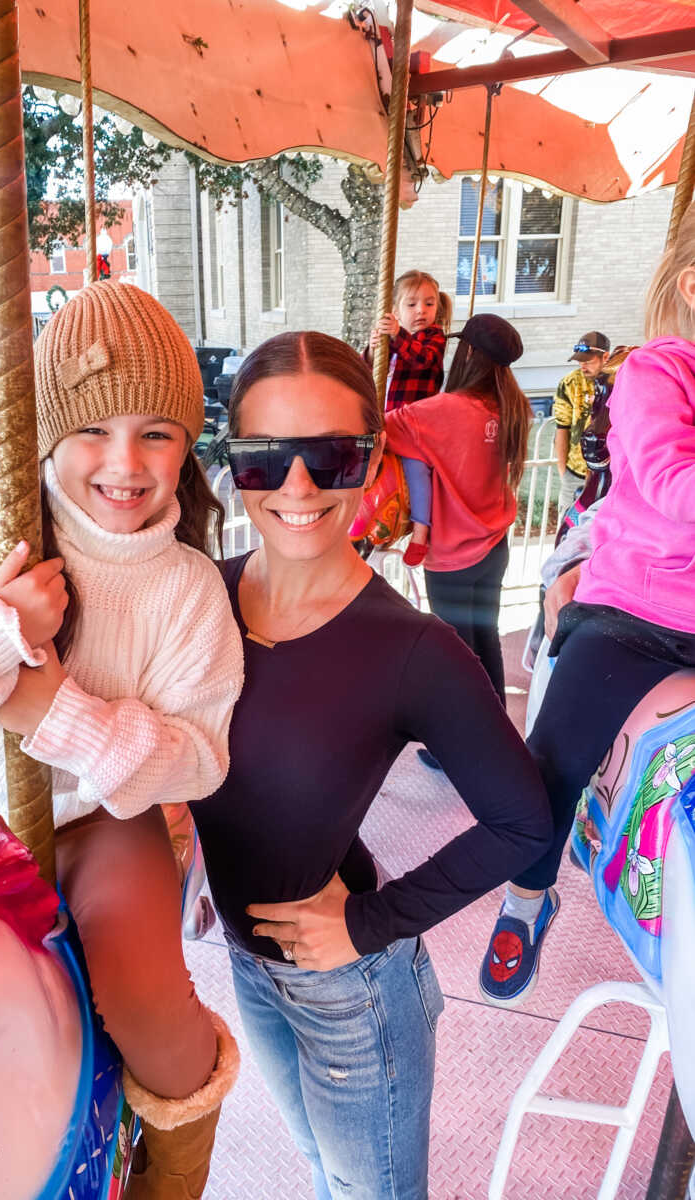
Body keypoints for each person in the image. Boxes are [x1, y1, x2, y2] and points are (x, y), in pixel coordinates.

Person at [0, 283, 244, 1199]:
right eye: (94, 431)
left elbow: (200, 753)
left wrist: (55, 712)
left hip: (102, 817)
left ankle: (175, 1168)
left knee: (145, 993)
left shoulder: (185, 588)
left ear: (188, 445)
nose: (125, 462)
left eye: (157, 432)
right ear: (48, 436)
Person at [189, 330, 552, 1200]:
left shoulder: (413, 649)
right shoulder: (201, 597)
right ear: (232, 462)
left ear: (374, 458)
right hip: (249, 966)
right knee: (322, 1172)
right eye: (265, 460)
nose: (299, 486)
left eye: (332, 456)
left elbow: (524, 823)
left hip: (351, 990)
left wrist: (371, 922)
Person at [478, 204, 695, 1010]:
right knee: (552, 761)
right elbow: (674, 485)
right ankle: (526, 897)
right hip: (635, 615)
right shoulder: (657, 374)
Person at [383, 314, 530, 751]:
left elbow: (380, 426)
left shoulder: (445, 411)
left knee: (458, 656)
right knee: (486, 640)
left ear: (466, 353)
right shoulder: (510, 407)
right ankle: (495, 733)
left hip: (453, 556)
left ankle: (464, 749)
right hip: (494, 547)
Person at [365, 270, 453, 566]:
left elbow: (422, 360)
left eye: (428, 304)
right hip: (389, 423)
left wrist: (397, 336)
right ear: (396, 311)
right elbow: (367, 372)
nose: (421, 311)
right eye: (412, 304)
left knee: (416, 471)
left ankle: (420, 530)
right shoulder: (394, 341)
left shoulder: (434, 338)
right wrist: (373, 348)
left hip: (416, 428)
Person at [552, 330, 611, 518]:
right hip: (574, 474)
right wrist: (564, 473)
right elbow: (562, 428)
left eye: (588, 361)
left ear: (605, 357)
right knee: (566, 530)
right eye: (580, 361)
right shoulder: (569, 383)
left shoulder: (617, 382)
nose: (583, 366)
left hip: (605, 477)